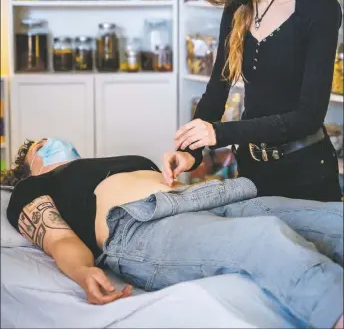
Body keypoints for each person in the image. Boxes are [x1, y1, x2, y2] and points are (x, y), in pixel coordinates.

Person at [3, 137, 344, 329]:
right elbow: (58, 237)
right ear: (28, 167)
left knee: (329, 219)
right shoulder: (33, 186)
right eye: (41, 146)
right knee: (263, 238)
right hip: (139, 225)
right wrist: (82, 272)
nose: (53, 143)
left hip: (203, 198)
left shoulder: (112, 156)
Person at [162, 0, 342, 202]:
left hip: (308, 175)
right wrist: (191, 152)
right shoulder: (236, 9)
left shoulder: (319, 7)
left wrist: (220, 133)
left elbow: (309, 116)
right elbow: (217, 90)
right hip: (251, 174)